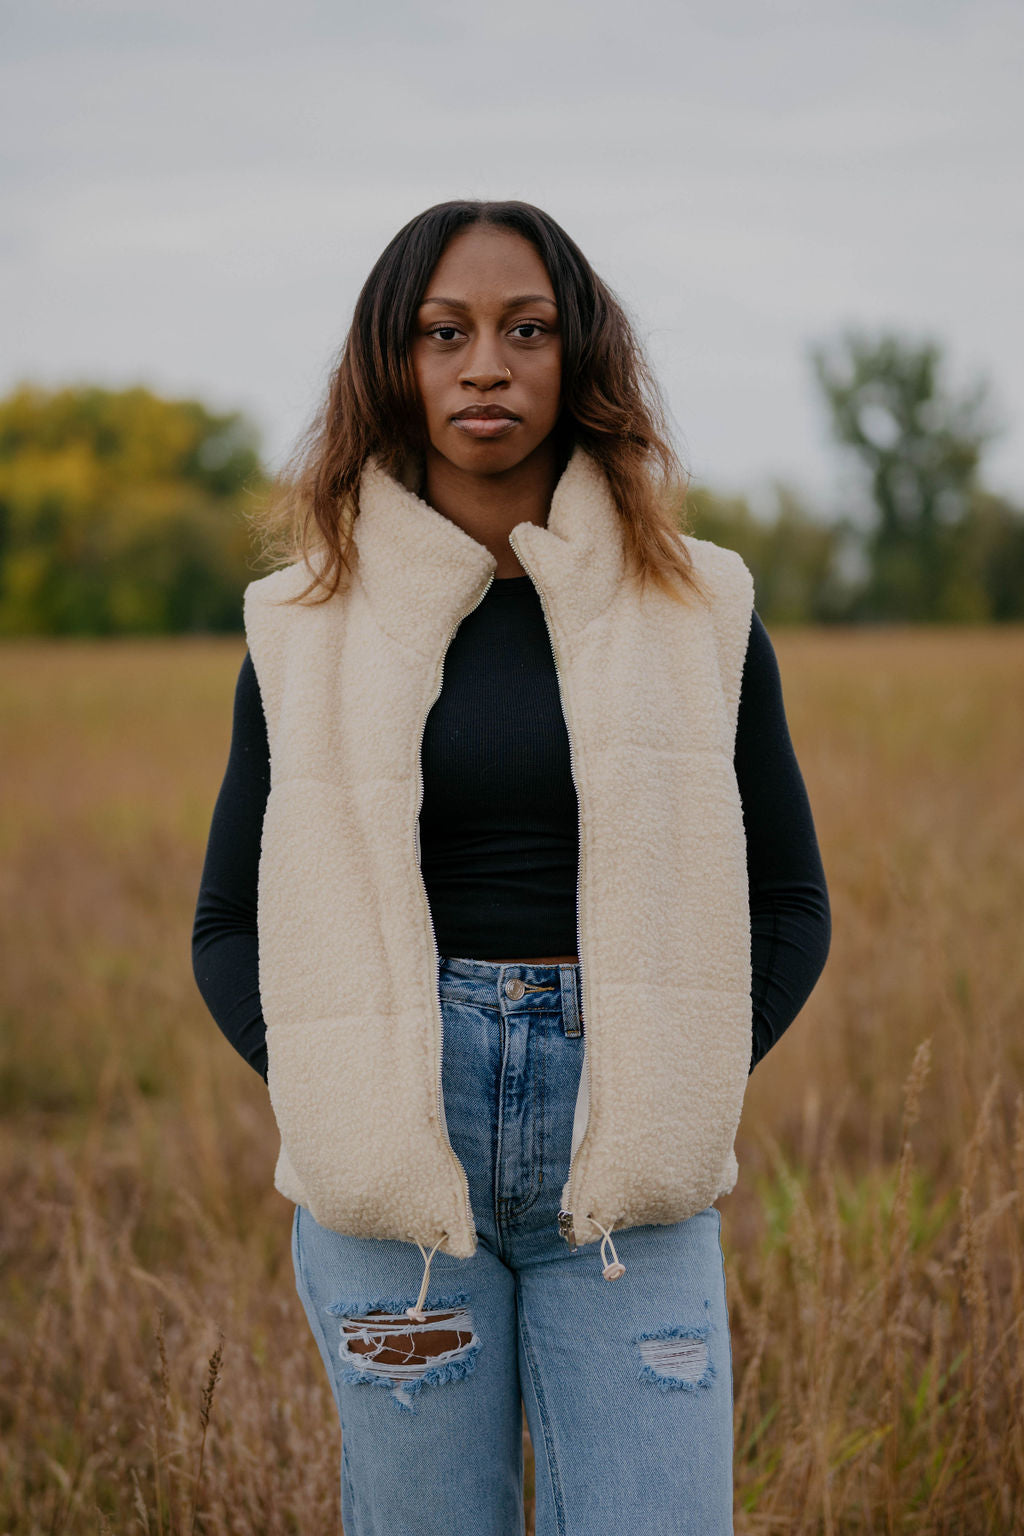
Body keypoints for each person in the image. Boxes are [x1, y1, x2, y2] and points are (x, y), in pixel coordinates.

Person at [192, 199, 831, 1535]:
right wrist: (337, 1087)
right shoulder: (300, 624)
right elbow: (228, 921)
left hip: (632, 1164)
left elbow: (790, 900)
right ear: (395, 362)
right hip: (392, 1171)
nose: (487, 365)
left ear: (577, 356)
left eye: (526, 329)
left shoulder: (700, 605)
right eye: (447, 333)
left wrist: (680, 1072)